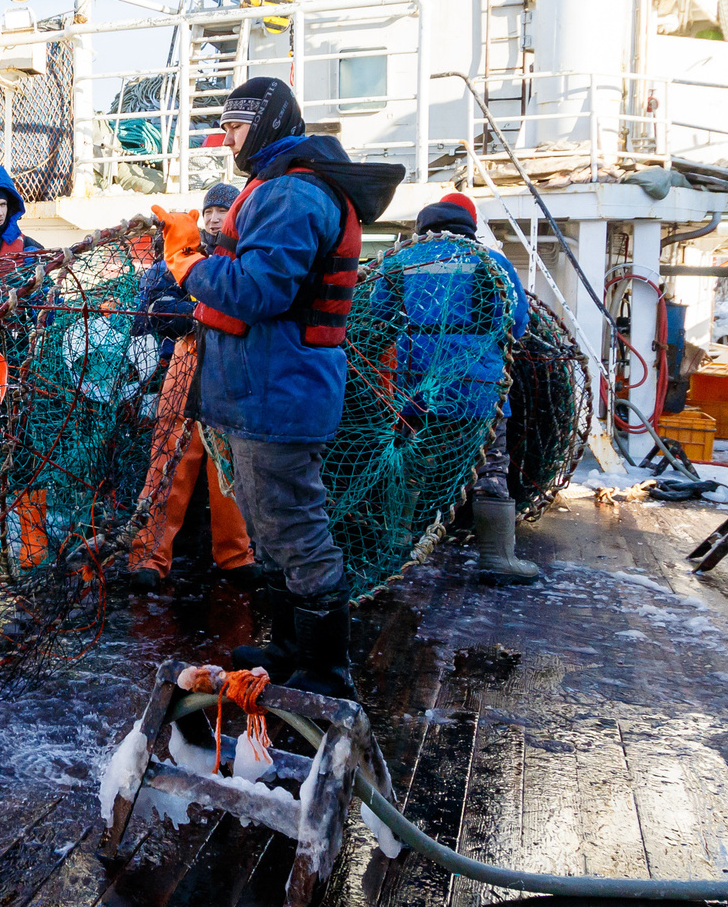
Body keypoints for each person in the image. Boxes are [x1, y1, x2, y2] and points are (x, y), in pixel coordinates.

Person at [154, 77, 402, 698]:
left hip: (278, 396)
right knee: (272, 528)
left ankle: (324, 671)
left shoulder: (292, 192)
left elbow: (258, 292)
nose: (228, 139)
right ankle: (291, 647)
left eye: (235, 127)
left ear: (264, 125)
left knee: (296, 531)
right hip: (261, 394)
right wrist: (210, 252)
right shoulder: (281, 186)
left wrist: (187, 263)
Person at [123, 182, 262, 593]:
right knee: (170, 457)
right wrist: (206, 313)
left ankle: (237, 555)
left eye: (226, 209)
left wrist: (203, 310)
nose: (217, 216)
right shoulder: (174, 258)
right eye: (211, 210)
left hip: (232, 364)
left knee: (229, 463)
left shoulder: (247, 256)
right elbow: (154, 308)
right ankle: (148, 555)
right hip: (184, 360)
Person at [397, 193, 538, 584]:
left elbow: (378, 318)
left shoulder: (404, 260)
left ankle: (396, 548)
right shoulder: (493, 263)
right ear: (469, 225)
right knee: (491, 467)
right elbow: (517, 323)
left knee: (411, 466)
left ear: (425, 224)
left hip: (417, 389)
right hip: (478, 387)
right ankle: (497, 559)